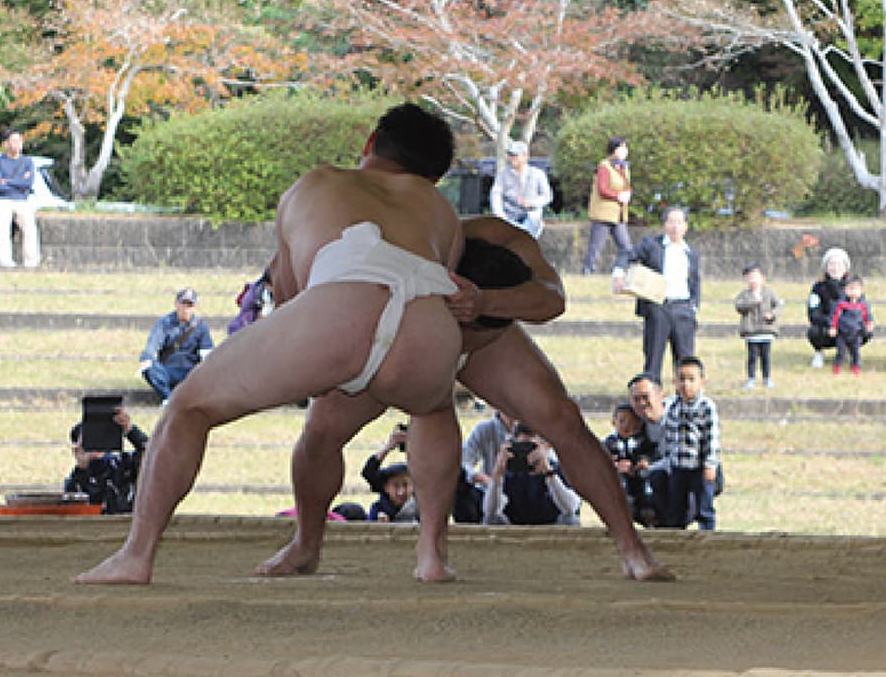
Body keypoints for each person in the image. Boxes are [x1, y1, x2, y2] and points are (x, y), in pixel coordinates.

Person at [76, 102, 466, 585]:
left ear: (370, 144)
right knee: (426, 408)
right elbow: (446, 284)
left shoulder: (318, 183)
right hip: (431, 323)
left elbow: (287, 292)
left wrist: (317, 356)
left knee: (188, 407)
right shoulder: (439, 208)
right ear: (433, 176)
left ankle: (137, 556)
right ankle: (430, 554)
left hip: (342, 301)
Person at [257, 214, 672, 582]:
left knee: (562, 418)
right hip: (390, 328)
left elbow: (552, 297)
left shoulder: (498, 235)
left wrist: (487, 303)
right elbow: (292, 274)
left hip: (485, 336)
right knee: (323, 431)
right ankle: (308, 544)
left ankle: (631, 548)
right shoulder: (402, 244)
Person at [617, 206, 700, 384]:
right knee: (653, 359)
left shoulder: (691, 253)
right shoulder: (651, 245)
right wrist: (619, 272)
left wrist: (694, 306)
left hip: (683, 309)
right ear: (664, 224)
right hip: (658, 307)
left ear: (686, 226)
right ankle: (651, 399)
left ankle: (684, 402)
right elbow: (628, 254)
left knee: (685, 361)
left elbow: (695, 281)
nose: (675, 227)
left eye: (680, 222)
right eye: (671, 222)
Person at [483, 424, 580, 526]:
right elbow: (490, 511)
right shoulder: (508, 473)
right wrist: (497, 474)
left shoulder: (560, 469)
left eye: (531, 447)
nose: (527, 453)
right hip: (515, 528)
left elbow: (571, 508)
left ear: (545, 448)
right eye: (521, 447)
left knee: (570, 519)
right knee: (491, 519)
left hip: (552, 526)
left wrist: (549, 473)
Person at [664, 356, 720, 530]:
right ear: (674, 381)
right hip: (678, 465)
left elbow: (711, 437)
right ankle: (677, 540)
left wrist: (710, 464)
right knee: (676, 507)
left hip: (699, 466)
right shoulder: (672, 406)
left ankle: (708, 536)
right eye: (681, 379)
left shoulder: (706, 406)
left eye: (691, 379)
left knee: (704, 507)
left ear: (702, 382)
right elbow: (669, 436)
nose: (686, 384)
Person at [64, 406, 148, 514]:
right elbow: (72, 503)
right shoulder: (77, 478)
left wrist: (130, 430)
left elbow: (152, 453)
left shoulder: (124, 463)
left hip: (126, 524)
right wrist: (82, 467)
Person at [139, 288, 215, 404]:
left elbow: (207, 352)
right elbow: (152, 346)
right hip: (167, 371)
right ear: (176, 304)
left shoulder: (201, 326)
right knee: (149, 368)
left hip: (190, 372)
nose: (186, 309)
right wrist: (146, 358)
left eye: (189, 305)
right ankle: (168, 399)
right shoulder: (164, 323)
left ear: (194, 307)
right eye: (183, 304)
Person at [806, 247, 869, 368]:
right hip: (827, 328)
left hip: (849, 327)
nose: (835, 268)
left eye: (839, 264)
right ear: (826, 267)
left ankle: (851, 351)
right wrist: (831, 323)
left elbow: (862, 308)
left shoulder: (854, 286)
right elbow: (813, 313)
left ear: (845, 267)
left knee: (865, 330)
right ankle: (819, 352)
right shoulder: (818, 287)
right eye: (831, 264)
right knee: (813, 331)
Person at [625, 373, 672, 527]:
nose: (642, 403)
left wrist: (651, 466)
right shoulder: (633, 425)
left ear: (661, 395)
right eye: (636, 399)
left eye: (645, 397)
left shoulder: (678, 418)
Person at [583, 137, 633, 275]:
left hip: (619, 214)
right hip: (603, 214)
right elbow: (602, 189)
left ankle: (626, 272)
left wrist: (627, 194)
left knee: (626, 246)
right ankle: (588, 272)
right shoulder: (604, 166)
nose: (624, 151)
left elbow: (626, 186)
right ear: (613, 149)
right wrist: (618, 196)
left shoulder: (624, 167)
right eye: (621, 147)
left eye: (625, 147)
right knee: (596, 247)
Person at [0, 129, 41, 268]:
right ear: (6, 144)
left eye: (19, 141)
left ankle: (31, 261)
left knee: (30, 226)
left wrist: (7, 181)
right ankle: (4, 260)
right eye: (14, 141)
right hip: (3, 200)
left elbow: (28, 184)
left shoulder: (27, 162)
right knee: (2, 227)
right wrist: (17, 182)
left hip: (22, 200)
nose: (17, 144)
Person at [488, 140, 552, 238]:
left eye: (515, 155)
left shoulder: (538, 174)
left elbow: (547, 196)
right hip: (510, 216)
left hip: (531, 216)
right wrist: (500, 215)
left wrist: (531, 203)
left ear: (525, 156)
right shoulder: (503, 175)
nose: (512, 158)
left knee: (529, 228)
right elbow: (495, 194)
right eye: (510, 155)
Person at [734, 264, 783, 389]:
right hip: (751, 333)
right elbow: (739, 306)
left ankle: (767, 378)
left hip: (766, 331)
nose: (753, 280)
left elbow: (779, 306)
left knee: (766, 356)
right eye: (750, 277)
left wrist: (772, 315)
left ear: (763, 279)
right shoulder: (744, 295)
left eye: (756, 277)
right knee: (752, 357)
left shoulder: (769, 293)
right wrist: (754, 301)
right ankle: (751, 378)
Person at [361, 424, 417, 522]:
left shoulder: (420, 507)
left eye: (405, 485)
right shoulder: (378, 509)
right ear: (386, 487)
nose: (401, 492)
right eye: (395, 486)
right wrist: (389, 446)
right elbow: (368, 472)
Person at [828, 274, 873, 375]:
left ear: (861, 290)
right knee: (841, 352)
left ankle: (855, 366)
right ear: (845, 290)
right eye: (850, 289)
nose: (853, 292)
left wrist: (869, 324)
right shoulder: (841, 304)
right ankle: (837, 366)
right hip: (842, 333)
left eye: (856, 289)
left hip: (856, 332)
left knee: (856, 352)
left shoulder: (863, 305)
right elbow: (834, 317)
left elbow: (867, 316)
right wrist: (833, 327)